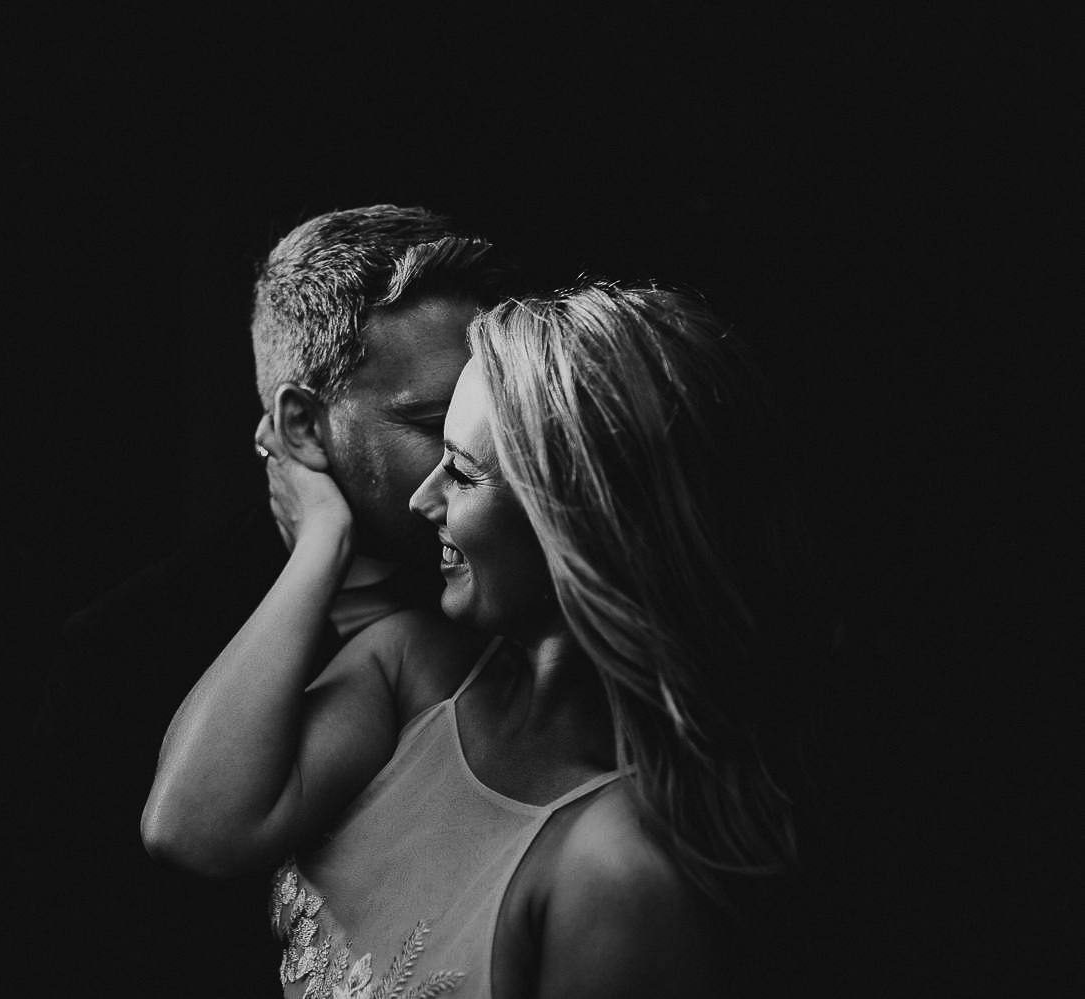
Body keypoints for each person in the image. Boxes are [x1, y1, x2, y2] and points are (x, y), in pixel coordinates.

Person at [144, 281, 802, 996]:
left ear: (574, 522)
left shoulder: (615, 871)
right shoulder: (411, 671)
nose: (422, 499)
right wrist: (320, 545)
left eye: (459, 471)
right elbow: (191, 823)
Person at [24, 206, 511, 989]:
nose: (481, 451)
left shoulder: (513, 592)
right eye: (429, 421)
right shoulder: (125, 648)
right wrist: (322, 545)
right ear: (302, 425)